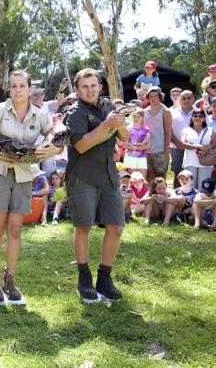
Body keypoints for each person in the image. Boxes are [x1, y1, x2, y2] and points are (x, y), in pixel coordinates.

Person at [0, 70, 60, 304]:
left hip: (24, 176)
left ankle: (11, 279)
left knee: (16, 230)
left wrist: (52, 147)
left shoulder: (39, 115)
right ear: (10, 89)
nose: (18, 90)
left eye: (22, 86)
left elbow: (56, 137)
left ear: (30, 89)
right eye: (14, 86)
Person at [64, 68, 129, 303]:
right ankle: (84, 278)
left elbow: (124, 137)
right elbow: (81, 146)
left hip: (108, 174)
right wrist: (106, 126)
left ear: (100, 86)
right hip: (82, 176)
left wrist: (119, 125)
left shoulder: (108, 107)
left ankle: (105, 277)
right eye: (84, 86)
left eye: (93, 85)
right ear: (77, 90)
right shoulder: (75, 112)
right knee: (84, 227)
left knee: (116, 227)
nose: (90, 90)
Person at [143, 87, 172, 182]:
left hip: (160, 149)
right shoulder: (144, 111)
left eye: (155, 96)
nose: (153, 98)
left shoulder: (165, 111)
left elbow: (168, 131)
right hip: (147, 149)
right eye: (151, 96)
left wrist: (166, 150)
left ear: (160, 97)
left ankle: (161, 196)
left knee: (160, 177)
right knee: (148, 176)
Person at [181, 109, 214, 189]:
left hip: (206, 162)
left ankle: (200, 201)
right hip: (190, 162)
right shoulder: (186, 130)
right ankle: (190, 201)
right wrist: (197, 146)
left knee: (203, 187)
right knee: (190, 186)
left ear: (204, 118)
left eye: (200, 116)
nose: (197, 118)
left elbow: (214, 143)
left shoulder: (210, 130)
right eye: (195, 116)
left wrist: (207, 148)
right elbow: (183, 143)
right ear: (191, 117)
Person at [170, 91, 195, 188]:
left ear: (193, 98)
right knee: (178, 174)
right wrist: (178, 144)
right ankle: (177, 196)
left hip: (194, 149)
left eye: (189, 98)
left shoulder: (199, 112)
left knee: (192, 174)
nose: (186, 100)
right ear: (180, 100)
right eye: (184, 98)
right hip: (177, 148)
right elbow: (169, 131)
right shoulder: (172, 113)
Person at [123, 109, 150, 177]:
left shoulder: (146, 129)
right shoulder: (129, 129)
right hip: (131, 157)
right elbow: (125, 144)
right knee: (133, 178)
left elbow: (149, 144)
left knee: (143, 178)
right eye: (134, 116)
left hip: (142, 156)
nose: (136, 118)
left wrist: (139, 147)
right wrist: (137, 147)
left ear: (142, 118)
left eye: (138, 117)